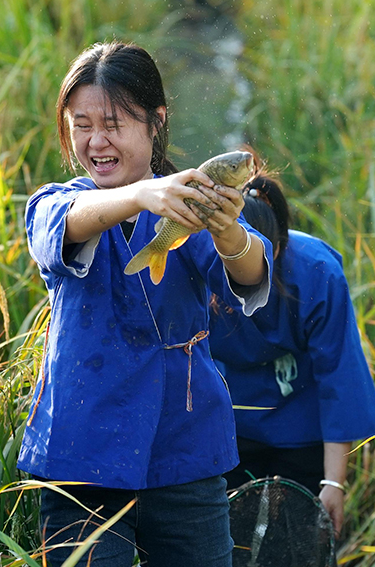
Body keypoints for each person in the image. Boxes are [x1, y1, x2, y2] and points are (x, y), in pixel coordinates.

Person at [20, 41, 273, 567]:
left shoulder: (188, 206)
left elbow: (251, 276)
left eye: (113, 124)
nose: (96, 141)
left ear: (156, 122)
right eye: (81, 125)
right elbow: (61, 226)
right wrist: (141, 195)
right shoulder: (56, 202)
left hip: (185, 451)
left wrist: (227, 231)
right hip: (81, 454)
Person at [208, 167, 375, 540]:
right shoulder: (199, 265)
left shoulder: (317, 271)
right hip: (228, 425)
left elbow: (339, 375)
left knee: (297, 539)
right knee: (230, 541)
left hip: (301, 423)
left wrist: (333, 483)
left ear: (276, 249)